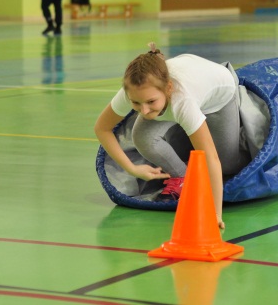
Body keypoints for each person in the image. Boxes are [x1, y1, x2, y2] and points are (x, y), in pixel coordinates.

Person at [94, 43, 251, 228]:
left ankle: (242, 130)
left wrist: (215, 213)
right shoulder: (136, 90)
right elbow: (102, 128)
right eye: (135, 103)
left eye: (151, 101)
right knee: (143, 137)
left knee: (227, 166)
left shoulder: (182, 101)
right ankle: (184, 178)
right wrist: (132, 169)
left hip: (220, 97)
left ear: (168, 88)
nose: (144, 110)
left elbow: (211, 157)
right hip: (187, 87)